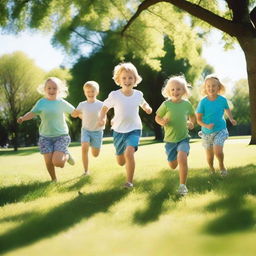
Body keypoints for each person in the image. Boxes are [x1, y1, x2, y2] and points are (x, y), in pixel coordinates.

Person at [98, 62, 152, 188]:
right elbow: (104, 107)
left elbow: (143, 103)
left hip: (134, 129)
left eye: (130, 78)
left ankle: (129, 182)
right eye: (124, 78)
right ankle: (120, 155)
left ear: (135, 79)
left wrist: (147, 108)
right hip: (118, 131)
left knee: (129, 153)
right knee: (121, 161)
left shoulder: (138, 94)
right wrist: (102, 118)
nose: (127, 80)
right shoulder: (114, 95)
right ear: (119, 80)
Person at [17, 77, 76, 182]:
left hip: (61, 136)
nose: (52, 90)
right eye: (49, 88)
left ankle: (66, 154)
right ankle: (54, 180)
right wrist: (23, 118)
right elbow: (32, 113)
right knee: (48, 161)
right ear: (45, 89)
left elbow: (74, 111)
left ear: (59, 90)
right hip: (45, 137)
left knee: (58, 163)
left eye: (54, 88)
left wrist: (84, 114)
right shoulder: (41, 102)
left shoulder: (61, 102)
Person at [155, 75, 196, 196]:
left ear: (184, 90)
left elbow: (192, 115)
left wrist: (191, 122)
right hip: (170, 140)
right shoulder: (166, 104)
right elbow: (157, 117)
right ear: (168, 91)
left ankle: (183, 186)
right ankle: (172, 159)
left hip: (183, 138)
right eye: (172, 89)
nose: (175, 91)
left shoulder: (187, 104)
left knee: (182, 158)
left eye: (178, 89)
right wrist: (161, 121)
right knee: (173, 165)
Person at [196, 74, 237, 176]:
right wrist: (206, 125)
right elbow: (198, 120)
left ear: (218, 87)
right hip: (206, 133)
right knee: (210, 157)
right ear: (205, 88)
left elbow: (227, 109)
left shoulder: (222, 100)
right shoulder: (203, 102)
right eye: (208, 86)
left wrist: (231, 119)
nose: (211, 88)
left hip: (220, 129)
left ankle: (222, 166)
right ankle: (211, 169)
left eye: (214, 85)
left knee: (218, 151)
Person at [71, 81, 104, 176]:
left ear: (97, 92)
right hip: (86, 130)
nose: (90, 93)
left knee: (95, 154)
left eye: (92, 91)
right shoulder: (82, 104)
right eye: (88, 91)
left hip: (97, 131)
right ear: (85, 93)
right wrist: (74, 114)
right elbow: (76, 114)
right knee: (84, 147)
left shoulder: (101, 104)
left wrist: (103, 121)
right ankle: (86, 171)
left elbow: (104, 116)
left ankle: (94, 147)